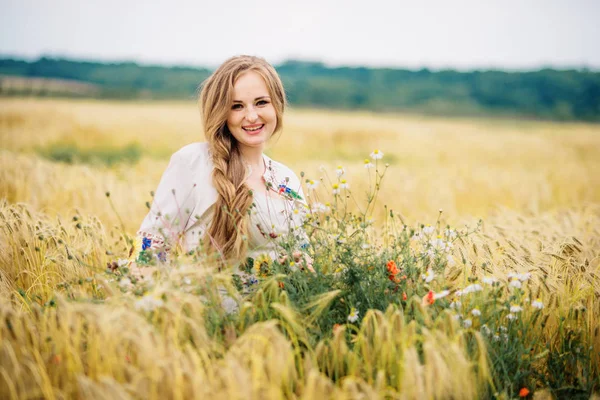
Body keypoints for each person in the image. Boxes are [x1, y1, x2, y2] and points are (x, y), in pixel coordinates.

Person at [135, 55, 312, 286]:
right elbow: (152, 245)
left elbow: (305, 256)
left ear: (277, 105)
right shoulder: (194, 162)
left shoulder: (287, 179)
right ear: (222, 113)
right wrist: (153, 309)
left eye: (261, 103)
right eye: (236, 106)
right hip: (210, 315)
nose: (251, 116)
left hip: (278, 317)